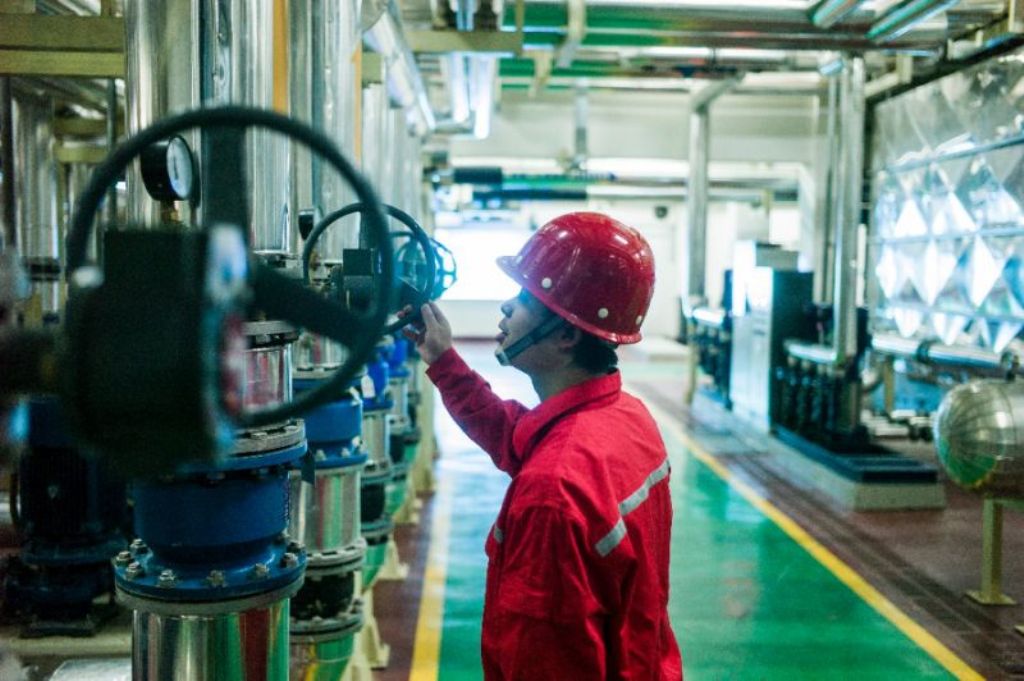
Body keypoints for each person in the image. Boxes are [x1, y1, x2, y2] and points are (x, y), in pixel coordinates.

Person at [405, 212, 683, 680]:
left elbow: (546, 662)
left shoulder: (553, 493)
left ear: (567, 334)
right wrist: (443, 360)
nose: (507, 308)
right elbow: (521, 436)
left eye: (526, 297)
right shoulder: (626, 418)